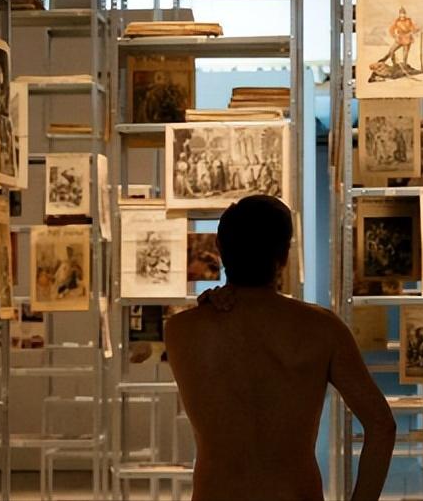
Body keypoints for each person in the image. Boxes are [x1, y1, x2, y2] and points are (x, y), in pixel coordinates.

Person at [166, 195, 395, 501]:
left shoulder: (181, 331)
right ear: (285, 255)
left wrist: (209, 302)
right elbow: (381, 426)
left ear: (219, 248)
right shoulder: (323, 330)